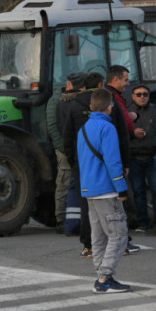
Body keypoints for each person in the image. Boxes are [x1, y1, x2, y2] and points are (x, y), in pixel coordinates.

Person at [63, 72, 131, 257]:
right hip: (107, 163)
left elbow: (67, 135)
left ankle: (89, 245)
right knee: (113, 204)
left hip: (82, 163)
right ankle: (121, 245)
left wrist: (73, 161)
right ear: (101, 84)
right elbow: (122, 135)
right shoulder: (111, 104)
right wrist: (125, 162)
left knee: (88, 205)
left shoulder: (74, 104)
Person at [77, 88, 131, 293]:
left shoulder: (83, 128)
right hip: (106, 189)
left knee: (98, 236)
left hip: (89, 188)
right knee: (118, 234)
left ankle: (102, 274)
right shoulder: (107, 128)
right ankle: (104, 278)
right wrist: (121, 187)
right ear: (110, 107)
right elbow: (113, 160)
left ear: (91, 107)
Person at [51, 72, 86, 234]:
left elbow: (56, 126)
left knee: (66, 183)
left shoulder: (61, 102)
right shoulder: (78, 103)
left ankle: (67, 219)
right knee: (68, 183)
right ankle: (63, 219)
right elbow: (56, 127)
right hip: (71, 149)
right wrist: (65, 148)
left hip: (68, 148)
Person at [127, 85, 156, 232]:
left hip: (152, 155)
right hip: (134, 157)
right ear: (133, 96)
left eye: (145, 94)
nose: (142, 97)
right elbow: (121, 133)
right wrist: (132, 132)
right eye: (139, 94)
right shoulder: (127, 111)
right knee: (138, 191)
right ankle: (143, 222)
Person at [105, 65, 139, 136]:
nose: (128, 84)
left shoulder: (102, 94)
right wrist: (132, 117)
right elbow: (128, 124)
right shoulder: (115, 98)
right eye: (126, 80)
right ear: (116, 79)